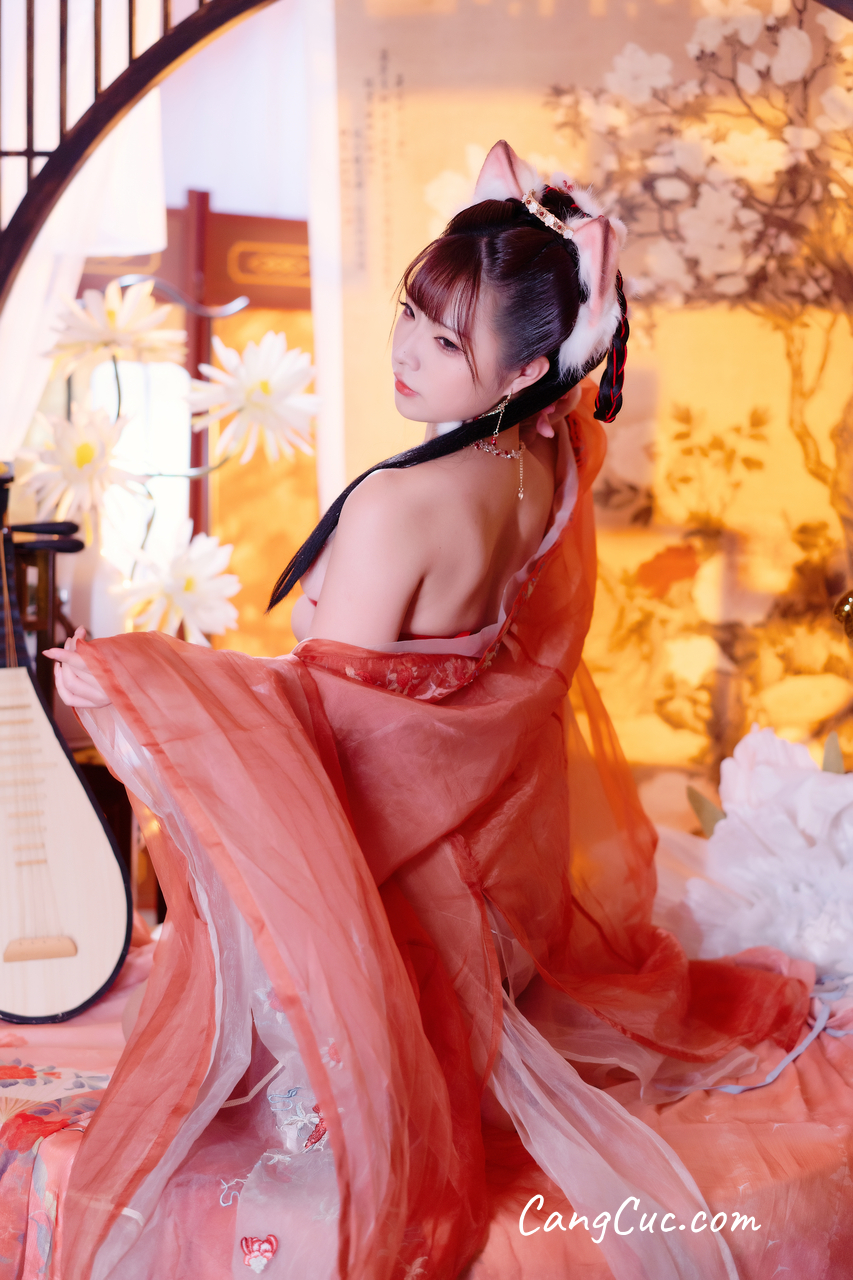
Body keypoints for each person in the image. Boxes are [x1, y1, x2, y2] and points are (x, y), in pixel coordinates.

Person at [46, 143, 831, 1280]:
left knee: (176, 1055)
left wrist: (146, 683)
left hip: (387, 896)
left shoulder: (398, 504)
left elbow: (325, 736)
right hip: (478, 881)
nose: (407, 351)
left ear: (525, 370)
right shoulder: (549, 461)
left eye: (448, 341)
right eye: (411, 314)